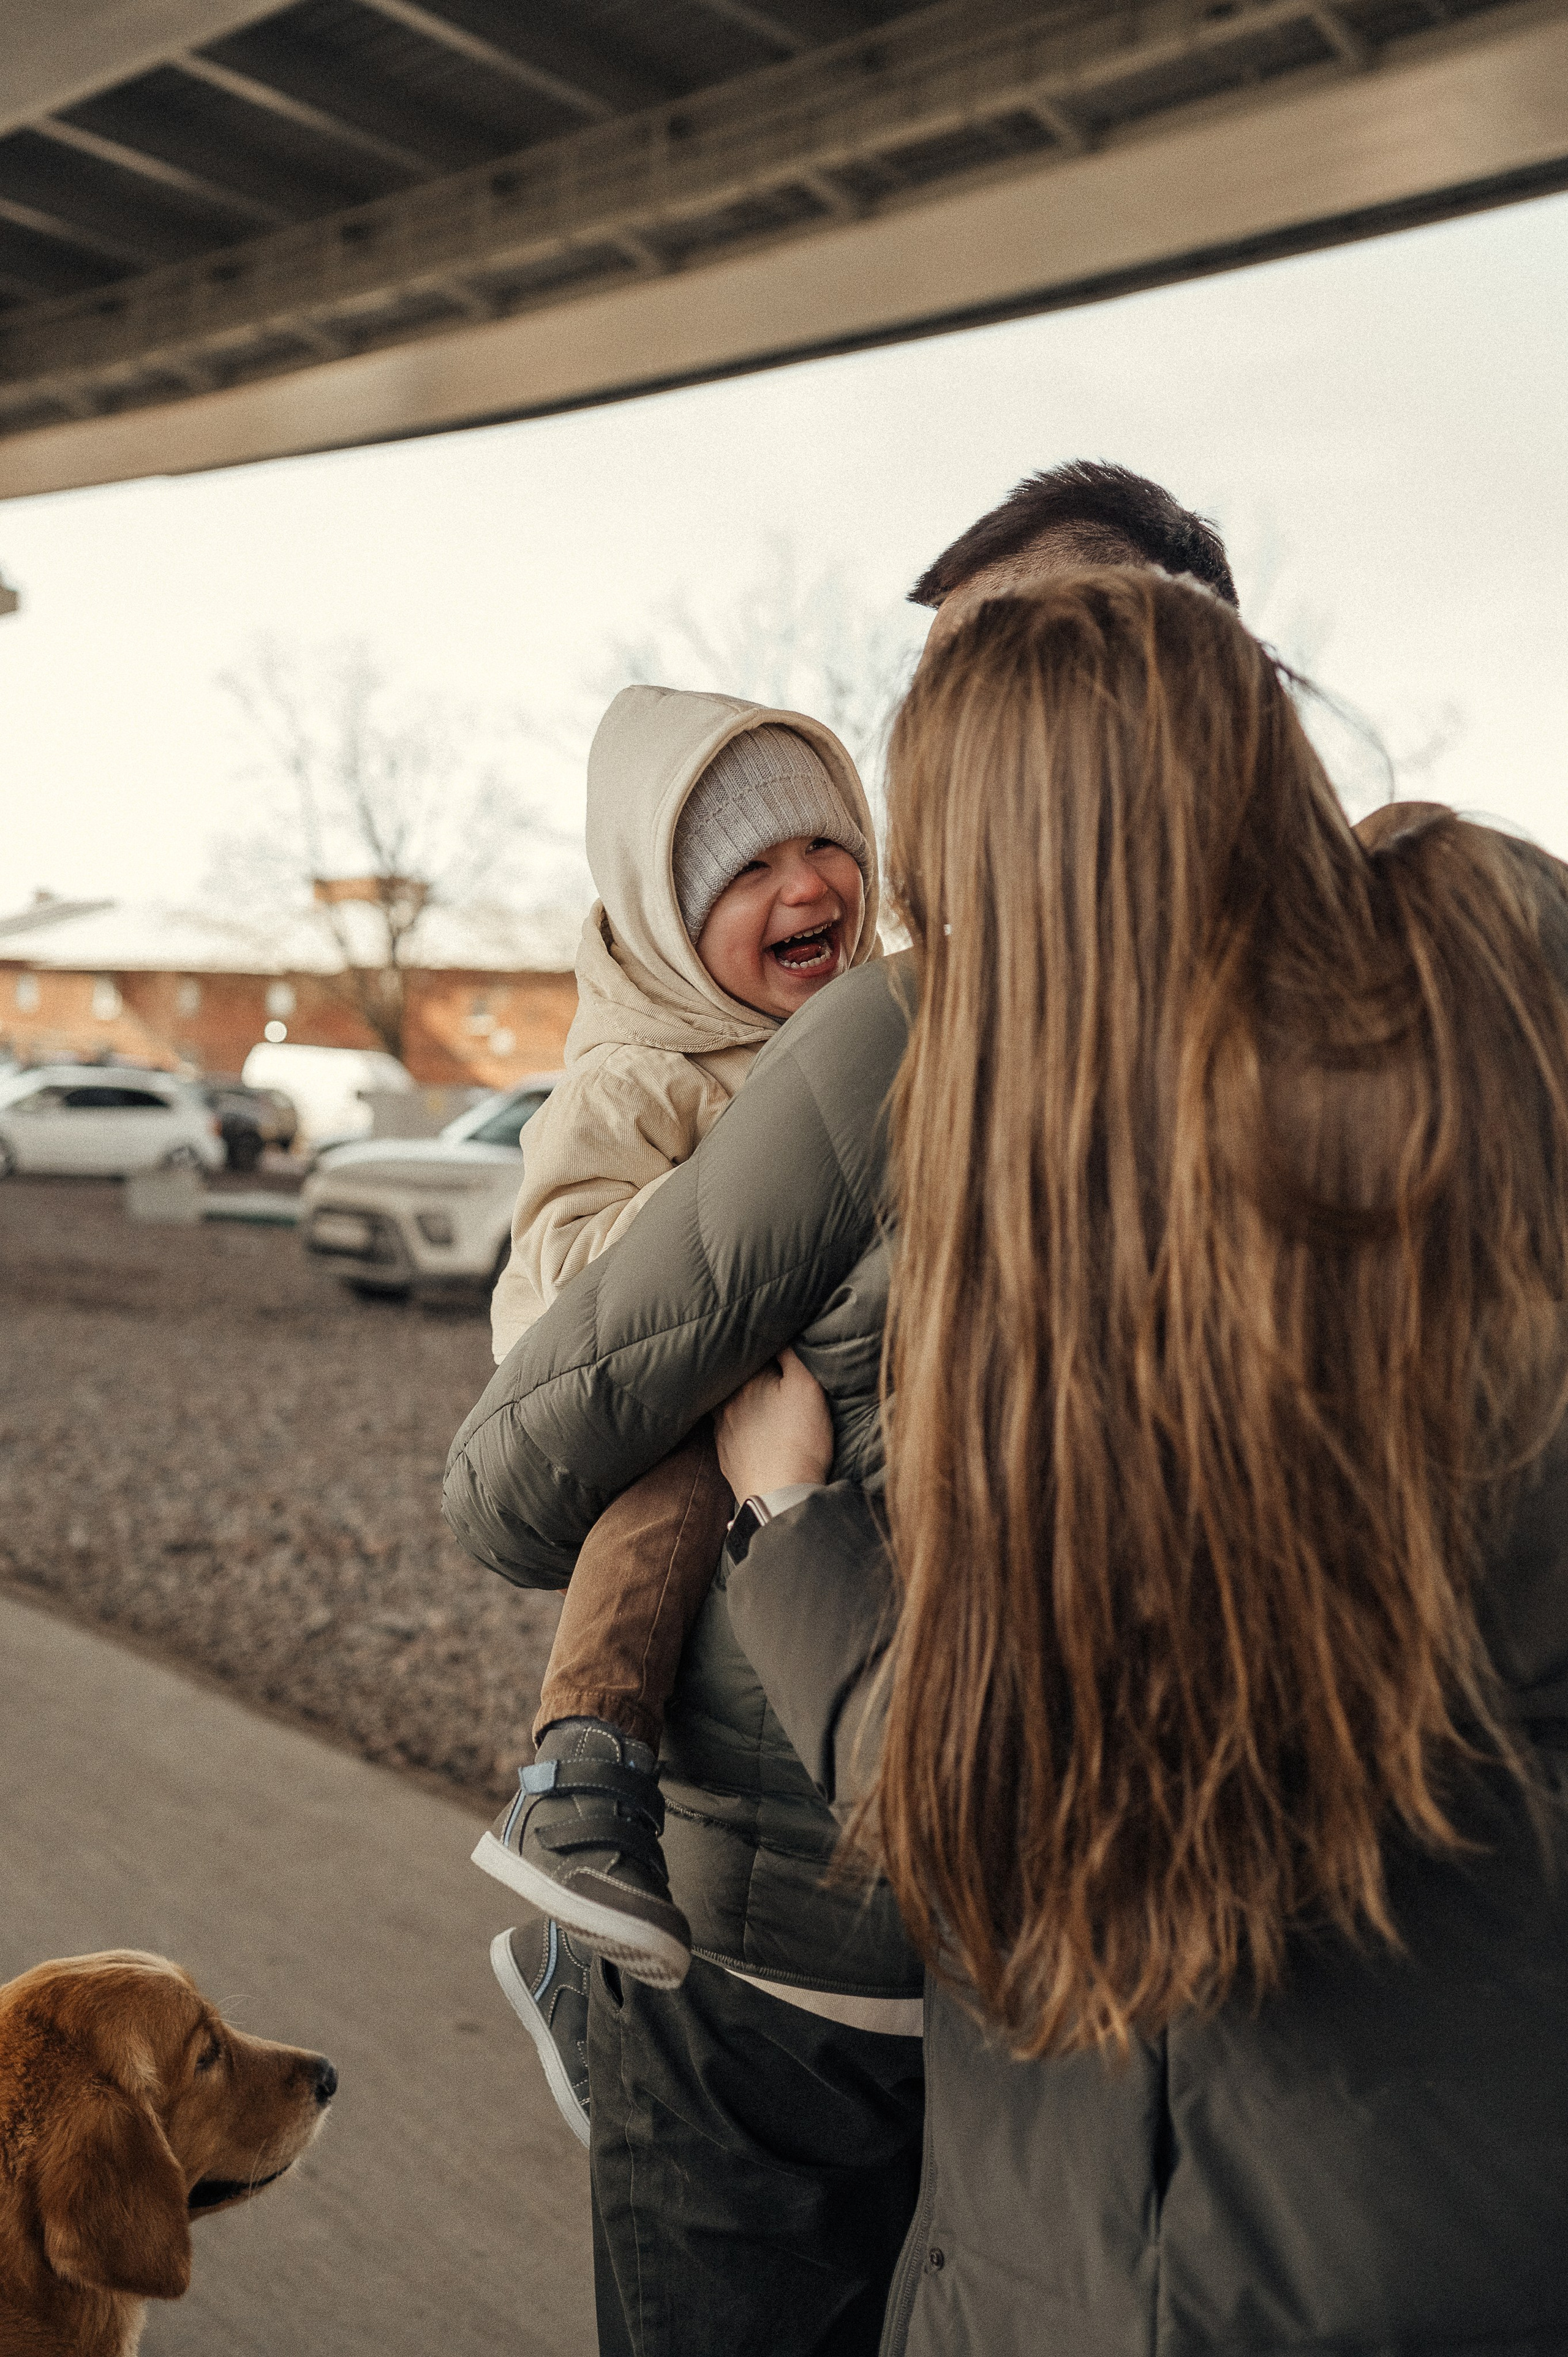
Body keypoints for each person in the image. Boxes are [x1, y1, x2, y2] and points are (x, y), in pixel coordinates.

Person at [714, 575, 1568, 2353]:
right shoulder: (1499, 1119)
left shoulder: (1149, 1306)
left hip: (1182, 2263)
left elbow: (1025, 1825)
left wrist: (796, 1527)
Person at [444, 464, 1241, 2357]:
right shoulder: (832, 1059)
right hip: (838, 1952)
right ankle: (581, 1793)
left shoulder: (919, 1046)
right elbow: (531, 1418)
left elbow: (511, 1479)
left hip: (1003, 1969)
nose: (819, 885)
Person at [474, 683, 879, 2140]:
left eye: (825, 845)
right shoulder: (641, 1068)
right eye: (748, 872)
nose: (806, 887)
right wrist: (738, 1229)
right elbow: (551, 1286)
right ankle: (577, 1770)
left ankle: (579, 1969)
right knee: (678, 1478)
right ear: (660, 906)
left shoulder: (870, 1035)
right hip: (686, 1430)